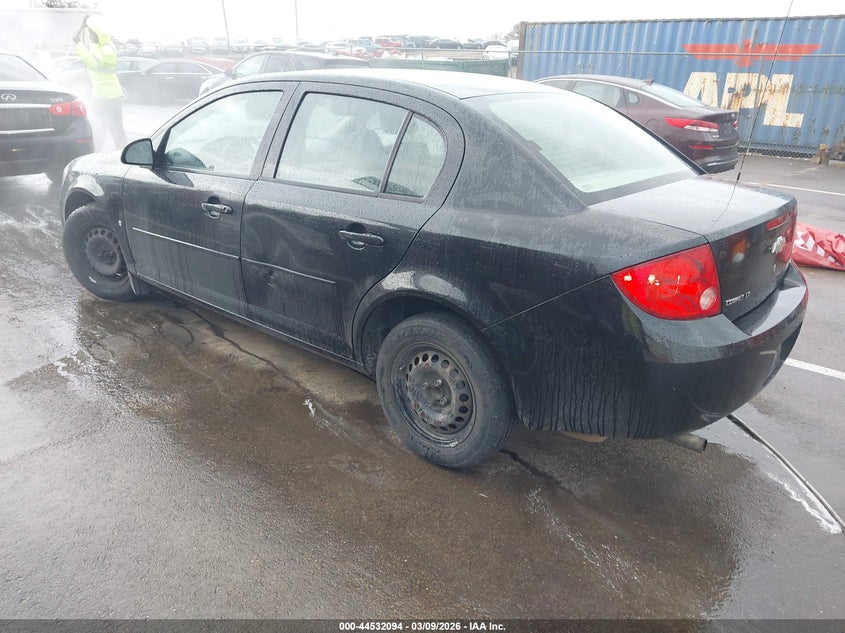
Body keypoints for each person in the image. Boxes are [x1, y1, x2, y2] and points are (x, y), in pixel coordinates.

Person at [73, 14, 127, 150]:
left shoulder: (107, 49)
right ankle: (97, 153)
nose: (90, 36)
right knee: (97, 127)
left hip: (110, 96)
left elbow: (93, 63)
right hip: (99, 96)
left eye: (92, 33)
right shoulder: (98, 45)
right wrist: (84, 25)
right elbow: (89, 48)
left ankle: (123, 153)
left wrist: (79, 46)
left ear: (98, 34)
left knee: (116, 128)